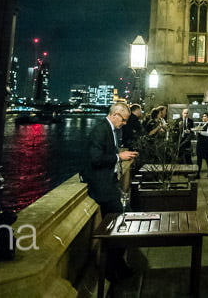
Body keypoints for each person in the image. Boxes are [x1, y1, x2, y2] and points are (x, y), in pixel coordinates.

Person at [80, 102, 138, 281]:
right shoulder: (100, 130)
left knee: (121, 224)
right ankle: (113, 268)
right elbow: (95, 159)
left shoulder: (109, 129)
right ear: (115, 115)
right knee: (124, 220)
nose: (125, 123)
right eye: (124, 120)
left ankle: (116, 266)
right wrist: (118, 156)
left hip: (108, 185)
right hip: (102, 187)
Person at [195, 112, 208, 178]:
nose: (203, 117)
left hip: (207, 144)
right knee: (199, 159)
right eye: (203, 116)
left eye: (205, 116)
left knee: (207, 158)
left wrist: (200, 131)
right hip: (200, 143)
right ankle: (198, 174)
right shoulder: (202, 124)